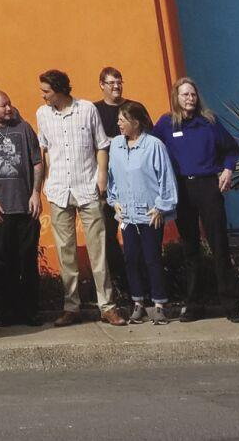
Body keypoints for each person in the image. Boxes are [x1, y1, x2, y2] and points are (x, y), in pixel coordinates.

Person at [35, 68, 125, 327]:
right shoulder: (42, 114)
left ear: (60, 90)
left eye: (46, 91)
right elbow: (46, 150)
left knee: (98, 249)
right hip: (59, 190)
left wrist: (102, 178)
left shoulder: (86, 109)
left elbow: (102, 145)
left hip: (87, 187)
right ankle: (71, 306)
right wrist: (46, 181)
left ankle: (107, 306)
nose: (43, 96)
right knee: (66, 252)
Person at [153, 76, 239, 322]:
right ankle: (194, 305)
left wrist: (227, 170)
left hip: (208, 187)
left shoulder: (209, 122)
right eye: (185, 94)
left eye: (193, 94)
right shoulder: (165, 124)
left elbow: (231, 149)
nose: (190, 98)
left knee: (219, 245)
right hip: (181, 189)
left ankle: (231, 305)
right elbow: (151, 150)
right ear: (176, 97)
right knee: (190, 249)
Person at [106, 99, 176, 324]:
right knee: (131, 259)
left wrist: (162, 207)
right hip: (127, 215)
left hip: (149, 214)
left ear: (136, 122)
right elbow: (112, 175)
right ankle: (138, 303)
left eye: (123, 119)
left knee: (152, 259)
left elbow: (166, 178)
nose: (119, 123)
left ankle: (159, 304)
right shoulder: (116, 145)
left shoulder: (154, 145)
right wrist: (113, 199)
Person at [0, 90, 43, 327]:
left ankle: (30, 311)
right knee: (3, 262)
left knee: (27, 261)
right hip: (0, 210)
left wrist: (36, 192)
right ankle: (7, 311)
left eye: (9, 104)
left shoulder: (24, 128)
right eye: (3, 106)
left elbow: (37, 161)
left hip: (26, 207)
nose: (8, 108)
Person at [94, 66, 130, 302]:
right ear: (102, 85)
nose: (116, 87)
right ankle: (120, 284)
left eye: (119, 82)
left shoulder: (132, 109)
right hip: (105, 185)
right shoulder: (94, 111)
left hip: (131, 183)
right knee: (107, 237)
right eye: (111, 83)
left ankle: (140, 286)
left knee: (135, 234)